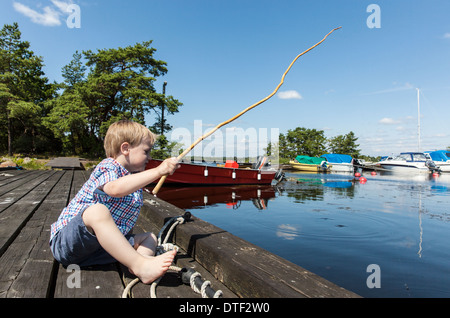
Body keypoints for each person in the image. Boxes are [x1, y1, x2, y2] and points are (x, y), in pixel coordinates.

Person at [50, 119, 180, 284]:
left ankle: (140, 263)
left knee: (150, 237)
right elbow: (114, 189)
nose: (149, 157)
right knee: (97, 211)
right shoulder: (109, 166)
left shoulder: (132, 178)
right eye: (146, 151)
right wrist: (159, 170)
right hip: (69, 243)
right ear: (125, 148)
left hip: (97, 250)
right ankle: (139, 264)